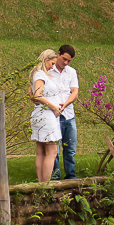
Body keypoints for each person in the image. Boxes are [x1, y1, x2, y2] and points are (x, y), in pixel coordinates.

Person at [30, 49, 62, 183]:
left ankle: (41, 183)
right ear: (46, 59)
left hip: (41, 114)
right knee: (52, 152)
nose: (53, 66)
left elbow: (31, 93)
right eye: (52, 63)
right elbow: (37, 94)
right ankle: (45, 184)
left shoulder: (36, 74)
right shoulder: (40, 74)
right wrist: (54, 106)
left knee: (41, 151)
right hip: (46, 116)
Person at [49, 44, 79, 179]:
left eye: (68, 61)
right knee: (55, 150)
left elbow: (75, 92)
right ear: (58, 54)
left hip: (69, 115)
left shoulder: (71, 72)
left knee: (70, 149)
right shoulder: (48, 70)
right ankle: (56, 178)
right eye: (64, 59)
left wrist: (65, 104)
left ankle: (71, 177)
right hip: (53, 115)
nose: (65, 63)